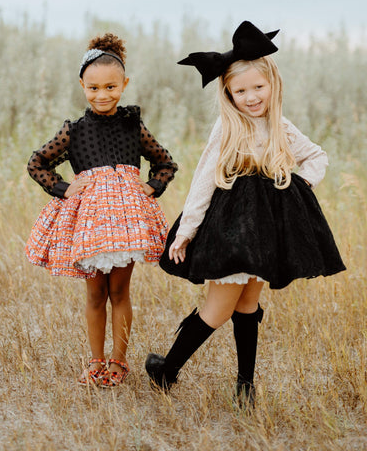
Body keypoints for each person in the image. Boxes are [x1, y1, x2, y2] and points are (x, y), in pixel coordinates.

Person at [145, 21, 345, 406]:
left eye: (258, 87)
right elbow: (204, 179)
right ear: (228, 93)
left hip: (265, 230)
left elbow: (316, 155)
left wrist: (300, 186)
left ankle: (245, 386)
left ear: (273, 85)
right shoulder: (228, 126)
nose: (251, 97)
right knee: (218, 308)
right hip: (230, 228)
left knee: (248, 304)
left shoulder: (280, 125)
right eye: (241, 90)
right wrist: (187, 230)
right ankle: (167, 371)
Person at [25, 33, 177, 388]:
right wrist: (64, 188)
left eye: (111, 86)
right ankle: (95, 360)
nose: (102, 95)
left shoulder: (133, 126)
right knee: (95, 293)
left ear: (124, 84)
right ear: (82, 85)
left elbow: (165, 162)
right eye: (93, 88)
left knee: (120, 293)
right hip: (90, 222)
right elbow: (37, 162)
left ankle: (119, 361)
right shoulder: (74, 131)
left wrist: (152, 186)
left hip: (126, 221)